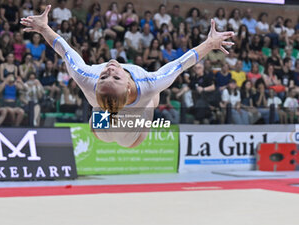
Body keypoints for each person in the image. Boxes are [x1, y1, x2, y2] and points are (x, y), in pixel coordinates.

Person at [20, 5, 234, 147]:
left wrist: (44, 28)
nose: (109, 70)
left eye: (104, 78)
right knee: (150, 101)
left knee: (116, 127)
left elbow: (65, 50)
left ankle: (117, 116)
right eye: (114, 78)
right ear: (129, 88)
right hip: (118, 120)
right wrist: (210, 44)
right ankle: (127, 115)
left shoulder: (87, 76)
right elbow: (181, 64)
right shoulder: (147, 83)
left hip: (114, 122)